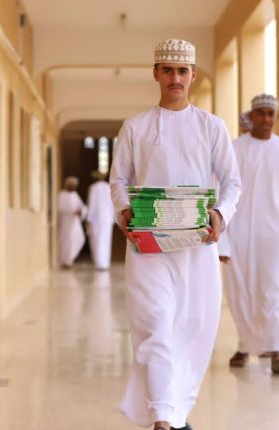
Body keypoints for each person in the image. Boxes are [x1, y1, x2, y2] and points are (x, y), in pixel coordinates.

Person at [110, 38, 242, 430]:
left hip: (196, 249)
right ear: (156, 73)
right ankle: (163, 418)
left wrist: (220, 214)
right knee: (155, 325)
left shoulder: (211, 127)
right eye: (167, 70)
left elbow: (232, 182)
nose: (175, 78)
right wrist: (125, 211)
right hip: (148, 248)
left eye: (182, 71)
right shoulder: (135, 127)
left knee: (194, 327)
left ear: (193, 75)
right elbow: (118, 180)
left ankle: (174, 410)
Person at [218, 93, 279, 374]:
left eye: (270, 114)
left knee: (275, 289)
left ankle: (276, 348)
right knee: (241, 289)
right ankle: (245, 345)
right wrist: (222, 242)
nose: (266, 119)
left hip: (276, 236)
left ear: (276, 117)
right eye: (261, 113)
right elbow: (221, 193)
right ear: (251, 116)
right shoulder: (235, 149)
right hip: (239, 233)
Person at [86, 170, 115, 270]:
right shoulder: (109, 188)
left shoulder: (93, 188)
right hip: (107, 217)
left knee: (96, 239)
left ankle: (99, 263)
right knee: (106, 240)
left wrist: (89, 218)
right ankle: (105, 263)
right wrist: (113, 217)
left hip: (96, 218)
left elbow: (92, 204)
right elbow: (112, 204)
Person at [57, 176, 87, 268]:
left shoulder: (75, 195)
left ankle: (69, 259)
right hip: (65, 221)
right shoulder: (62, 195)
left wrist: (81, 211)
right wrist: (72, 211)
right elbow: (60, 207)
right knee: (66, 241)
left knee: (79, 238)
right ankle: (64, 261)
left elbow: (82, 206)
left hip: (74, 222)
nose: (73, 187)